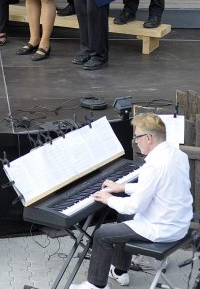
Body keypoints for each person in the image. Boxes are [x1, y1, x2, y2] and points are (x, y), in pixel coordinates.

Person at [70, 113, 192, 289]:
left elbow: (134, 206)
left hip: (163, 228)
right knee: (124, 217)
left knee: (102, 234)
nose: (136, 141)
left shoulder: (154, 165)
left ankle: (96, 285)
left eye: (137, 137)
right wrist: (123, 188)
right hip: (179, 223)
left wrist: (109, 198)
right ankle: (120, 271)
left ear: (149, 138)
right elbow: (159, 188)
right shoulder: (177, 154)